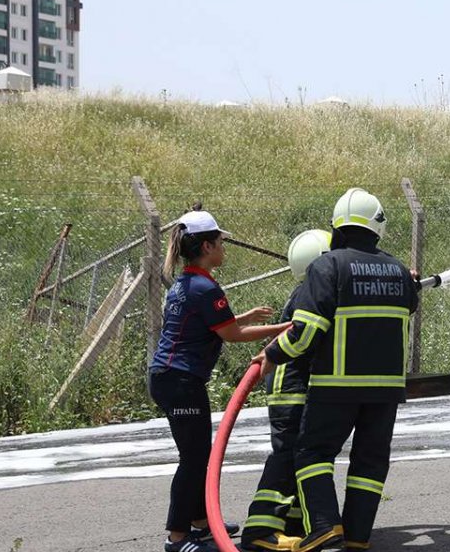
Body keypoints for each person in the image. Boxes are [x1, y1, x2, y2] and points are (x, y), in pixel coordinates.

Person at [257, 188, 419, 552]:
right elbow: (409, 305)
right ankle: (358, 537)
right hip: (386, 389)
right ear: (378, 226)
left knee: (312, 453)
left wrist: (273, 353)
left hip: (337, 385)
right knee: (370, 462)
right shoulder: (398, 270)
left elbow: (306, 332)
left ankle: (325, 527)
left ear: (336, 226)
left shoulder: (327, 266)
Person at [149, 209, 292, 552]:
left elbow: (214, 323)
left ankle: (201, 523)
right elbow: (231, 334)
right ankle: (177, 538)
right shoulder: (204, 287)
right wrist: (287, 328)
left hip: (171, 378)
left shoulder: (187, 282)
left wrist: (246, 317)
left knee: (199, 454)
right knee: (194, 458)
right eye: (221, 242)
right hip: (180, 381)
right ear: (207, 246)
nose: (224, 248)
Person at [240, 229, 332, 552]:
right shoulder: (312, 292)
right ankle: (260, 528)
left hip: (294, 382)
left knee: (299, 452)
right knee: (288, 454)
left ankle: (293, 521)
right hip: (290, 386)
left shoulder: (311, 290)